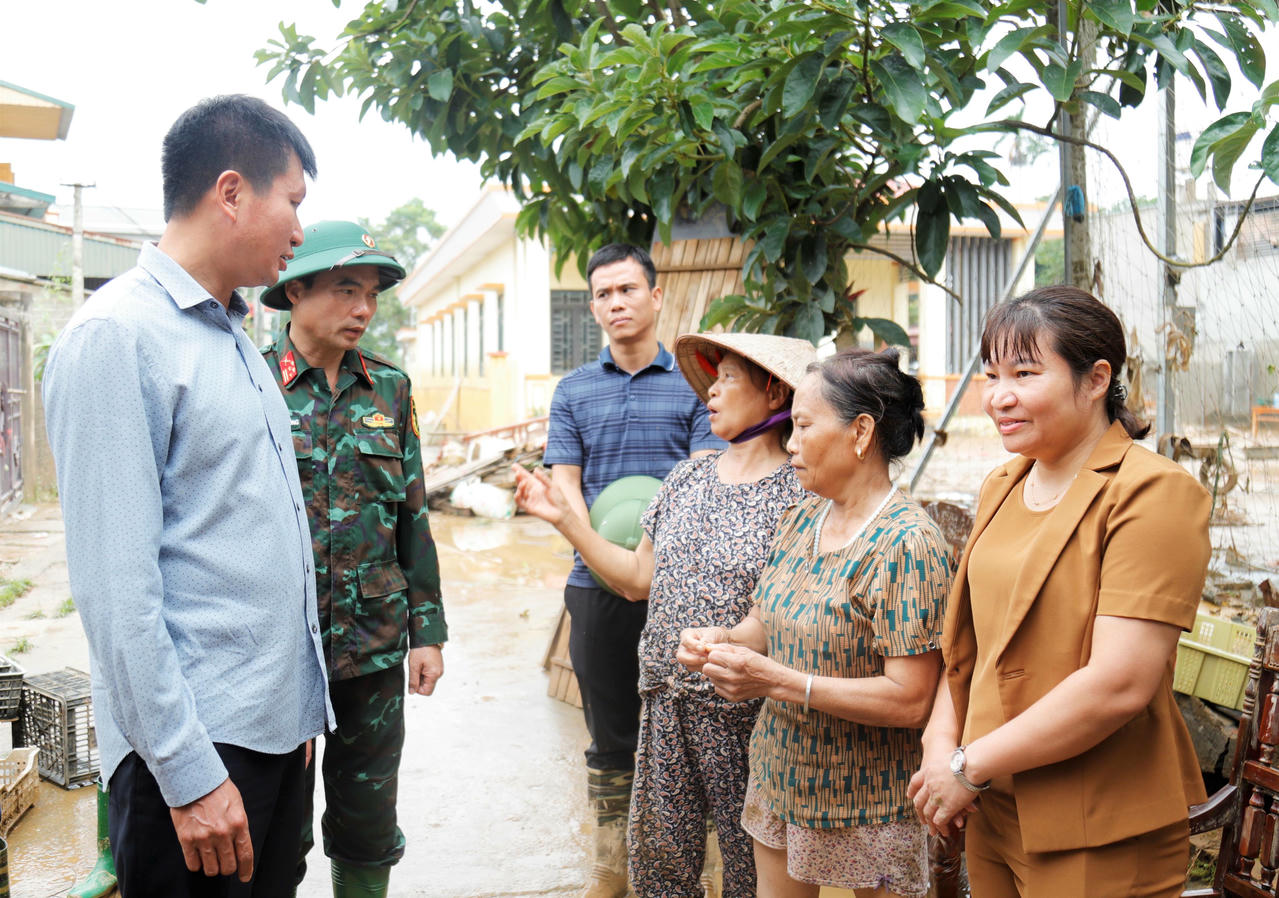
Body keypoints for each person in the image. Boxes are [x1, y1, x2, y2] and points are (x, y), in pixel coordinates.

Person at [42, 95, 333, 897]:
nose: (301, 232)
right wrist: (186, 772)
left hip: (272, 740)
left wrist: (297, 718)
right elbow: (115, 592)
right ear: (232, 192)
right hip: (200, 757)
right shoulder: (119, 339)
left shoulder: (233, 340)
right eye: (295, 203)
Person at [907, 286, 1212, 898]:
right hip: (992, 806)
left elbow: (1120, 683)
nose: (999, 396)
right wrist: (941, 746)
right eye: (991, 374)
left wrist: (968, 766)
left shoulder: (1152, 493)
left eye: (1025, 372)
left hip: (1097, 821)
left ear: (1096, 378)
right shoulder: (1003, 482)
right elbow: (971, 645)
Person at [516, 332, 813, 897]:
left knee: (751, 869)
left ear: (775, 393)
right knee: (660, 868)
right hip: (664, 702)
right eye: (715, 378)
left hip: (746, 717)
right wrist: (565, 520)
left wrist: (733, 644)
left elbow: (787, 613)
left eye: (728, 378)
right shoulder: (685, 480)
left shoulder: (800, 495)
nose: (712, 392)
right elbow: (634, 581)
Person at [678, 348, 952, 898]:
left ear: (861, 432)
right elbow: (767, 619)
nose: (791, 442)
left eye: (803, 426)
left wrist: (777, 682)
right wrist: (726, 641)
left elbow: (912, 699)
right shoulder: (803, 516)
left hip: (872, 800)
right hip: (782, 777)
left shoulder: (907, 543)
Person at [258, 220, 447, 897]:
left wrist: (427, 633)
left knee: (368, 817)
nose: (363, 309)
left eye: (369, 294)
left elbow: (414, 517)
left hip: (372, 642)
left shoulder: (389, 390)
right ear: (295, 290)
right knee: (277, 822)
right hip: (279, 648)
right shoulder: (253, 383)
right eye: (345, 290)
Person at [543, 243, 725, 898]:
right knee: (609, 737)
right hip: (595, 586)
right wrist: (609, 561)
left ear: (655, 297)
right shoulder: (573, 391)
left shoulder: (698, 385)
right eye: (602, 293)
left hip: (684, 593)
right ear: (591, 305)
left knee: (698, 729)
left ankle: (703, 871)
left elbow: (703, 483)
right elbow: (564, 485)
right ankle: (610, 872)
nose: (615, 303)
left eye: (627, 289)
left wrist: (648, 569)